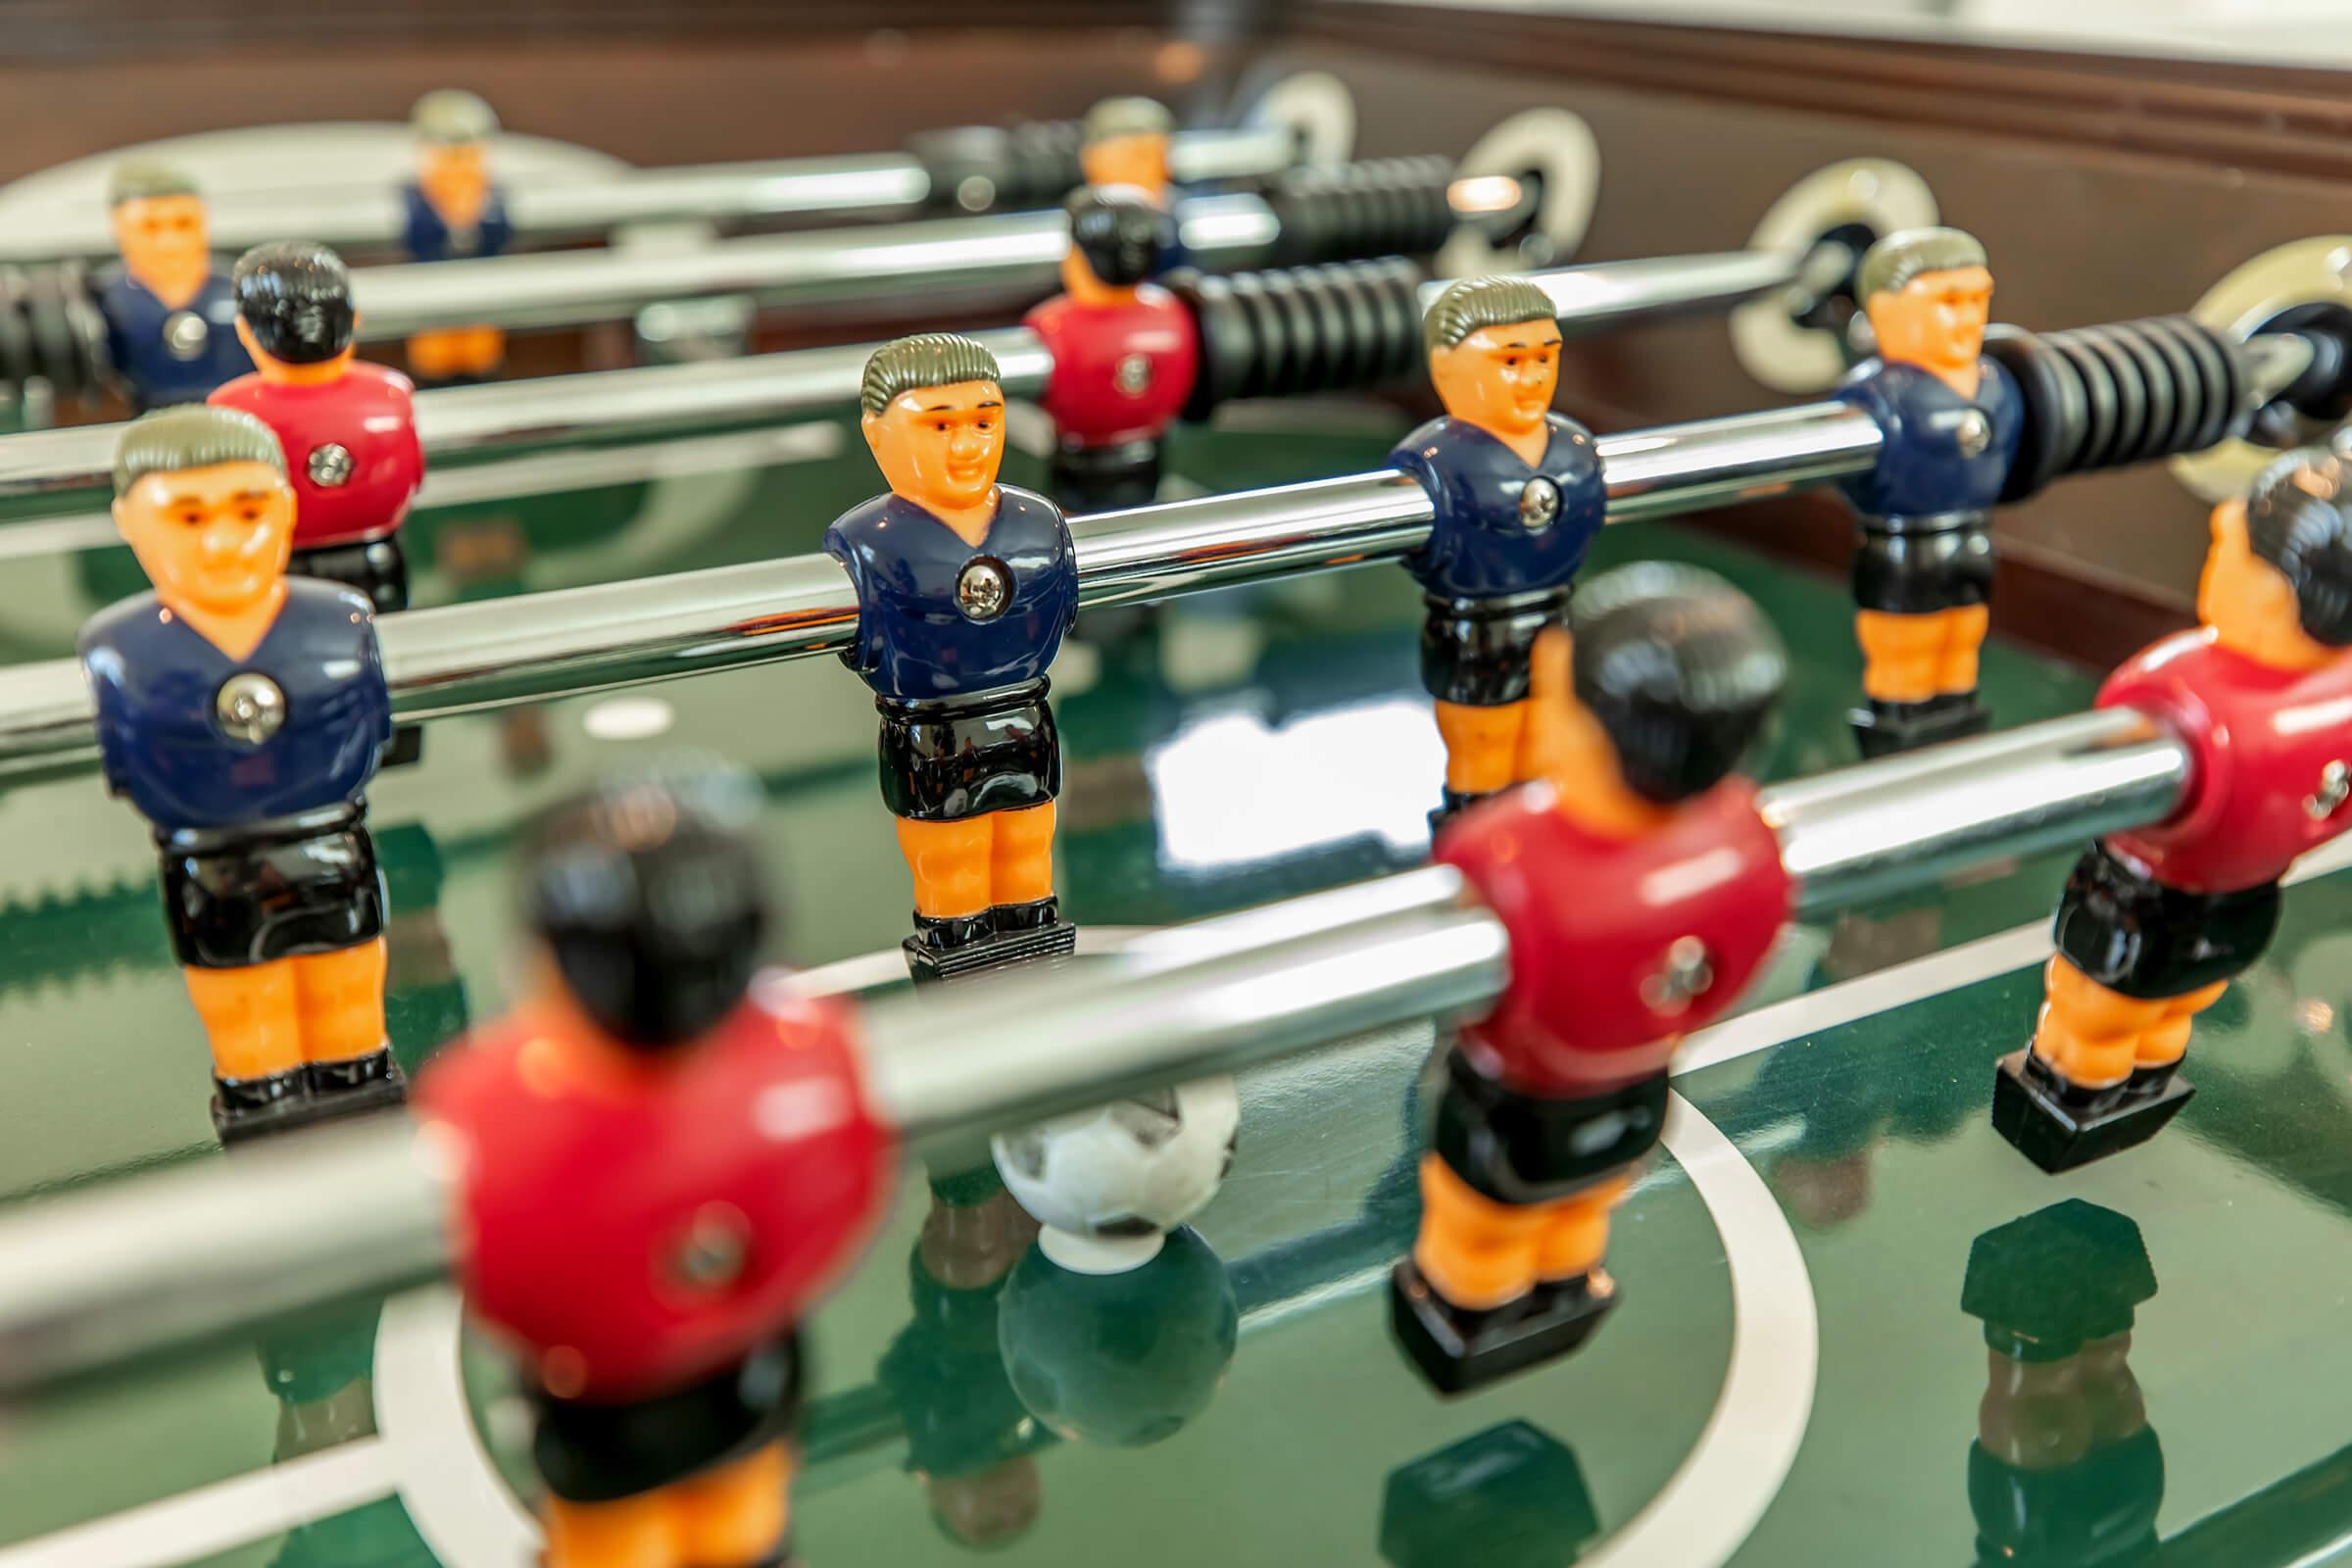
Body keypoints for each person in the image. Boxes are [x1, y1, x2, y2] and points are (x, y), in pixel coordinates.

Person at [418, 764, 892, 1568]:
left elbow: (499, 1284)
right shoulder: (815, 1070)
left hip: (604, 1419)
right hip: (747, 1383)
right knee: (743, 1525)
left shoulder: (492, 1118)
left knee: (630, 1542)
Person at [1394, 562, 1788, 1392]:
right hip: (1637, 1090)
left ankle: (1475, 1305)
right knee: (1586, 1203)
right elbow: (1726, 978)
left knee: (1483, 1219)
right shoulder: (1748, 846)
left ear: (1590, 732)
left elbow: (1461, 968)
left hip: (1514, 1101)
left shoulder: (1506, 857)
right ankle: (1569, 1283)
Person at [1994, 447, 2352, 1170]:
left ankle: (2072, 1092)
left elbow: (2097, 765)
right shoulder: (2337, 702)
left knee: (2091, 1010)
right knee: (2177, 1005)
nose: (2221, 526)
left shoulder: (2178, 688)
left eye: (2240, 545)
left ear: (2278, 598)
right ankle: (2146, 1081)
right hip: (2243, 908)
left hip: (2137, 896)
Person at [79, 404, 396, 1138]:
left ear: (286, 507)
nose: (224, 542)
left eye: (249, 510)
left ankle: (366, 1124)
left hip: (332, 850)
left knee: (350, 1014)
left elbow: (373, 733)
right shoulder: (121, 650)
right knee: (249, 1033)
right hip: (211, 869)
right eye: (189, 518)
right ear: (129, 520)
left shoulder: (342, 623)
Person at [824, 333, 1080, 982]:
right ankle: (962, 997)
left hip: (1024, 720)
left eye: (983, 422)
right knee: (952, 869)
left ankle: (1043, 984)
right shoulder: (868, 545)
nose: (967, 446)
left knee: (1029, 857)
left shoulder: (1041, 526)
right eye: (939, 426)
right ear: (876, 433)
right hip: (931, 735)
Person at [1389, 275, 1602, 825]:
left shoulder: (1576, 450)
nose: (1533, 379)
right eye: (1509, 361)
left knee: (1544, 754)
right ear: (1445, 367)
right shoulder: (1434, 464)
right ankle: (1474, 858)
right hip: (1472, 637)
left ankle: (1537, 856)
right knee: (1483, 758)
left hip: (1554, 626)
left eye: (1545, 358)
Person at [1831, 226, 2022, 756]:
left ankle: (1958, 726)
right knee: (1906, 651)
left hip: (1972, 540)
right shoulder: (1875, 396)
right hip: (1902, 550)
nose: (1968, 317)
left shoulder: (1996, 382)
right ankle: (1898, 734)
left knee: (1963, 639)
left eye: (1978, 299)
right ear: (1886, 312)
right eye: (1947, 302)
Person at [211, 240, 425, 615]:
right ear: (354, 320)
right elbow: (415, 476)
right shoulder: (393, 394)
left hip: (281, 565)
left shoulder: (229, 410)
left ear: (245, 330)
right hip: (378, 557)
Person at [1022, 185, 1193, 514]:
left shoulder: (1052, 327)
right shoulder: (1176, 317)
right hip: (1139, 464)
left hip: (1081, 472)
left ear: (1082, 257)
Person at [94, 161, 251, 411]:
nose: (169, 242)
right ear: (120, 229)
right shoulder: (100, 299)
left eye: (184, 224)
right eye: (149, 227)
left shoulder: (243, 289)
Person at [400, 88, 511, 384]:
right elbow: (420, 236)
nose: (459, 165)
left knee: (480, 372)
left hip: (480, 318)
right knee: (435, 374)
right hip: (434, 319)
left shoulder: (493, 198)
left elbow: (497, 233)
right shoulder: (415, 197)